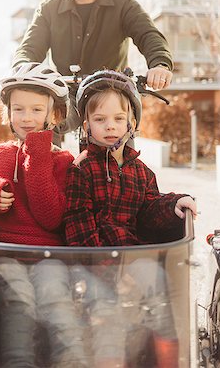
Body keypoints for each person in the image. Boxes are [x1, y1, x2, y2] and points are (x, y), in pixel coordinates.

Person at [0, 62, 87, 368]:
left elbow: (50, 217)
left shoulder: (62, 161)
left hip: (49, 255)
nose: (27, 118)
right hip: (2, 253)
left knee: (56, 301)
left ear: (53, 115)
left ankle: (74, 361)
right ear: (9, 113)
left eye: (37, 110)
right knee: (19, 301)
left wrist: (37, 153)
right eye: (19, 109)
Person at [63, 70, 197, 367]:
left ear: (131, 123)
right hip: (96, 264)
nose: (110, 126)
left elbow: (149, 213)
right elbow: (78, 227)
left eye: (118, 119)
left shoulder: (142, 172)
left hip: (136, 259)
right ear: (86, 126)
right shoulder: (81, 170)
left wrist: (173, 204)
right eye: (100, 120)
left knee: (160, 299)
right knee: (107, 317)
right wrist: (111, 272)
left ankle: (167, 361)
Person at [12, 0, 174, 136]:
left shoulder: (123, 3)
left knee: (117, 137)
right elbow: (29, 48)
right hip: (66, 95)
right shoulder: (49, 9)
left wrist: (159, 64)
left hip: (111, 91)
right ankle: (43, 165)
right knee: (46, 125)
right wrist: (22, 69)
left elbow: (148, 35)